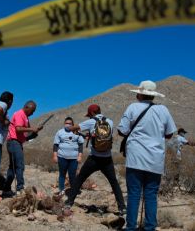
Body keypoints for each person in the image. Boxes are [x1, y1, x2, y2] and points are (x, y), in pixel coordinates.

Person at [117, 80, 177, 231]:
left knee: (134, 194)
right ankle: (150, 227)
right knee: (151, 195)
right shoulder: (163, 110)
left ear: (140, 93)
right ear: (152, 96)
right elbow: (169, 134)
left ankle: (131, 227)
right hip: (155, 159)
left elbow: (121, 131)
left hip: (136, 158)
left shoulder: (132, 107)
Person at [64, 104, 126, 216]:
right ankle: (122, 208)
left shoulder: (91, 122)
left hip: (94, 158)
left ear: (92, 113)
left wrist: (69, 128)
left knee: (80, 179)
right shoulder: (110, 122)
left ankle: (69, 202)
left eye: (89, 115)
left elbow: (74, 128)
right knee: (114, 183)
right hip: (107, 158)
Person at [2, 100, 42, 196]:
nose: (33, 113)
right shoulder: (20, 114)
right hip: (14, 142)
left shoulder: (26, 117)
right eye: (32, 110)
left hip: (16, 143)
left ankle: (6, 189)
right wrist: (32, 129)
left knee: (12, 168)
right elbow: (18, 129)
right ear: (27, 107)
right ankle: (20, 188)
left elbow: (24, 135)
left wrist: (34, 133)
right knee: (20, 165)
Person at [53, 117, 84, 193]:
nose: (68, 125)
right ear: (64, 124)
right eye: (66, 123)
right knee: (62, 174)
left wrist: (80, 156)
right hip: (62, 157)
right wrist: (54, 156)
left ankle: (73, 191)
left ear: (73, 125)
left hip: (74, 158)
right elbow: (55, 145)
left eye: (70, 123)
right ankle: (61, 190)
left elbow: (80, 145)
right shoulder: (59, 132)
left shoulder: (77, 132)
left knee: (72, 175)